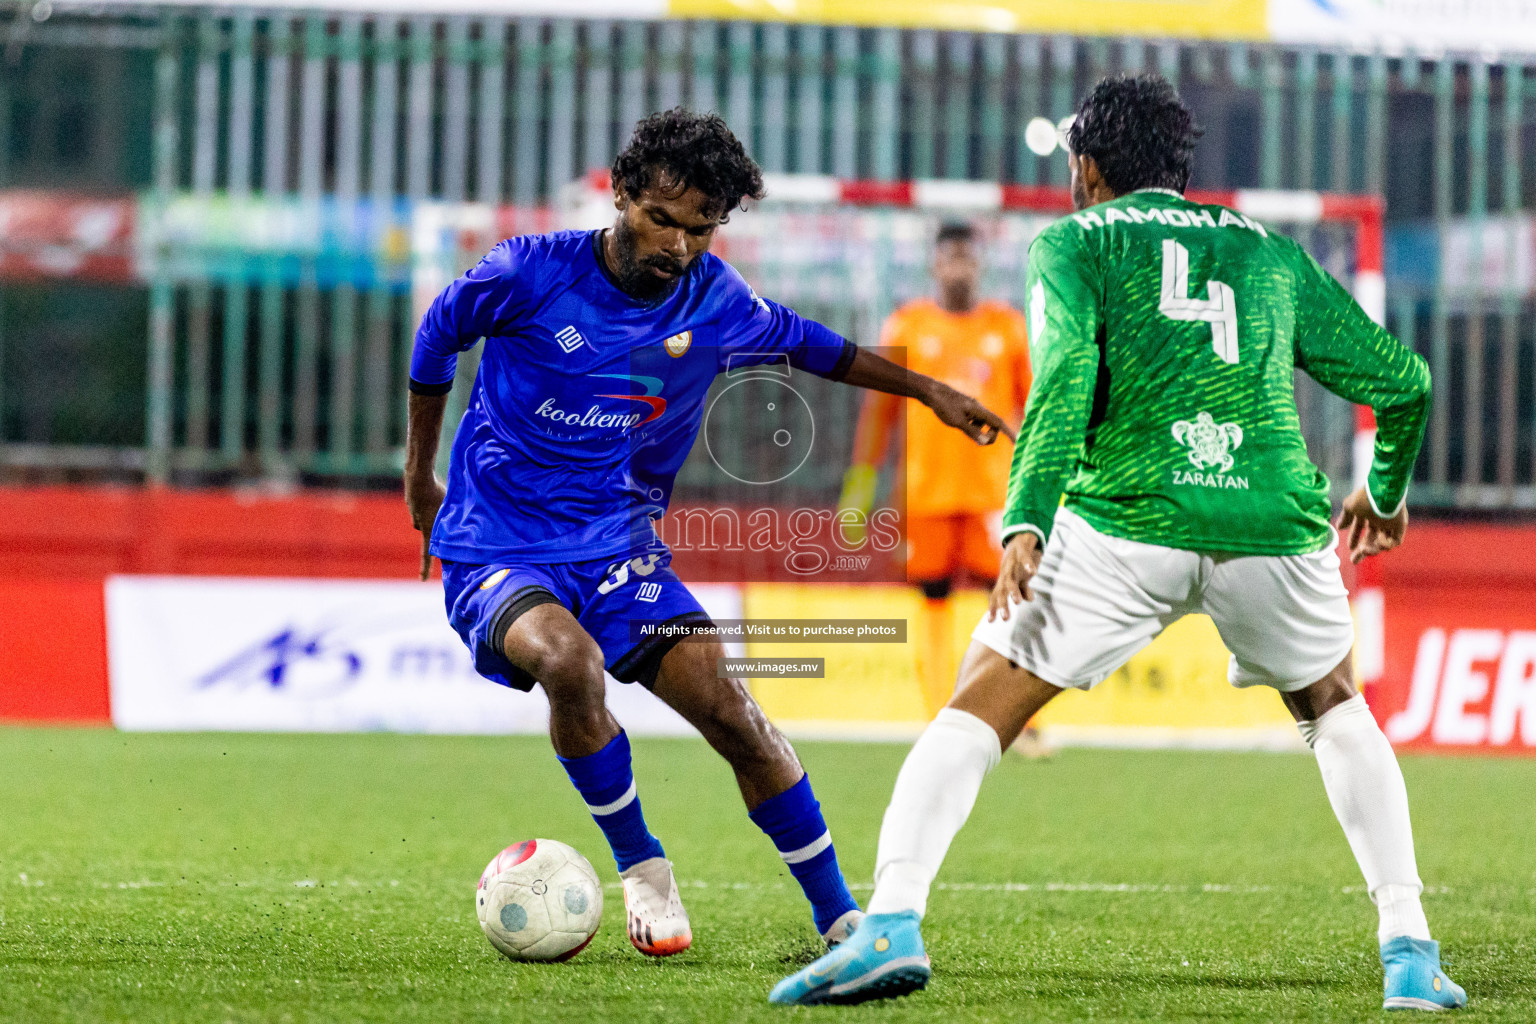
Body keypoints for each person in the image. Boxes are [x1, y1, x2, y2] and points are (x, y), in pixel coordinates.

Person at [772, 74, 1466, 1012]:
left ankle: (891, 922)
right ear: (1180, 168)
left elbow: (1060, 384)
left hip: (1126, 521)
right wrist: (1382, 493)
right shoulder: (1270, 252)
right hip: (1271, 523)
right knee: (1337, 708)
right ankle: (1411, 950)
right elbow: (1406, 380)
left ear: (1088, 168)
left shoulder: (1072, 243)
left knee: (978, 708)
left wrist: (1025, 518)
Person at [404, 109, 1011, 959]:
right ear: (622, 195)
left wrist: (928, 391)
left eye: (699, 228)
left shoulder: (717, 297)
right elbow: (437, 339)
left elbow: (817, 347)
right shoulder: (528, 273)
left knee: (734, 712)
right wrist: (419, 478)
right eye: (661, 219)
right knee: (570, 664)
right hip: (497, 541)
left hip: (617, 550)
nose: (677, 246)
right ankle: (643, 867)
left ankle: (842, 920)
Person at [840, 222, 1035, 724]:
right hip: (925, 495)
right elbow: (877, 415)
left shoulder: (1007, 328)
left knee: (1012, 598)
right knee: (932, 601)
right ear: (934, 265)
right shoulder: (907, 326)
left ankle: (1021, 717)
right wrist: (859, 492)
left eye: (968, 258)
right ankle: (939, 716)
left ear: (981, 265)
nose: (959, 269)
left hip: (993, 494)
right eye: (950, 258)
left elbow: (1031, 414)